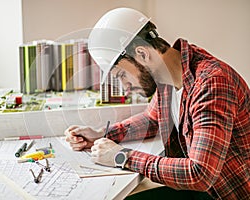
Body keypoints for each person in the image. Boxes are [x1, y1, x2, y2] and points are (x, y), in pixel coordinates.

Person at [64, 8, 250, 200]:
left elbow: (200, 173)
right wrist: (101, 134)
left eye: (121, 75)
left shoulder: (211, 84)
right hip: (199, 190)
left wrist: (122, 156)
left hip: (222, 194)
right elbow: (152, 119)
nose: (125, 88)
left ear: (142, 54)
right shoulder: (168, 76)